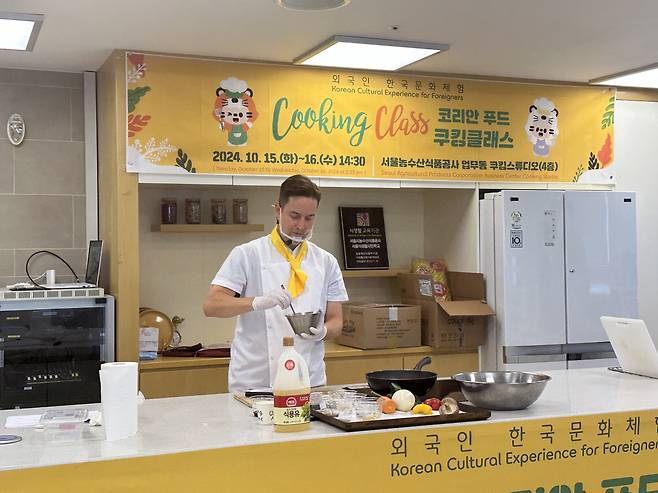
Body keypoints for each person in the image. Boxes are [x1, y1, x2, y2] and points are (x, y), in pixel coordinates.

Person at [203, 175, 348, 392]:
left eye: (309, 218)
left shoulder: (326, 262)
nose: (301, 225)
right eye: (295, 216)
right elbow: (212, 305)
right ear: (277, 210)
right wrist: (257, 302)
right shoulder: (248, 254)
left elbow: (337, 320)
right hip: (255, 381)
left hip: (309, 380)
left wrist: (323, 331)